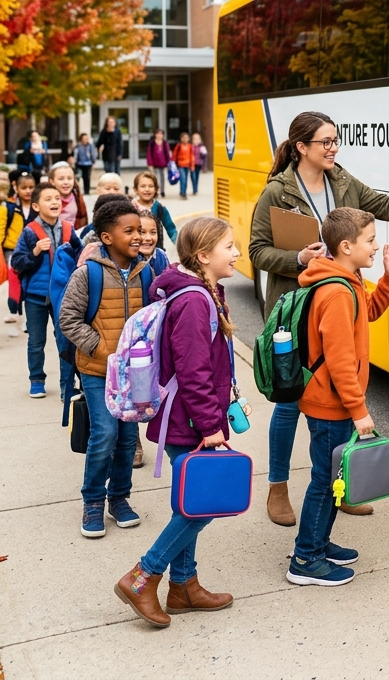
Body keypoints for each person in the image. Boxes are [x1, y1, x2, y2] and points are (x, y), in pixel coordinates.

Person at [250, 110, 389, 527]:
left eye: (335, 140)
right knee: (291, 400)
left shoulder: (342, 181)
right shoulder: (277, 192)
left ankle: (341, 486)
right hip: (294, 310)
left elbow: (387, 206)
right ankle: (277, 486)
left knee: (338, 399)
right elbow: (257, 251)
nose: (333, 148)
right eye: (325, 142)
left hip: (340, 296)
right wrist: (298, 258)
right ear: (301, 147)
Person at [115, 217, 240, 626]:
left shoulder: (204, 291)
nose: (237, 253)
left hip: (190, 417)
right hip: (188, 420)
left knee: (193, 500)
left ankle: (184, 586)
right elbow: (193, 371)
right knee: (200, 507)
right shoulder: (192, 301)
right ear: (203, 256)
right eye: (230, 247)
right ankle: (143, 576)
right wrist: (210, 425)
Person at [287, 208, 389, 586]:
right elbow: (338, 360)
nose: (375, 245)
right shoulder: (336, 291)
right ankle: (305, 559)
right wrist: (358, 409)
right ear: (346, 245)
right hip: (331, 403)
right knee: (325, 479)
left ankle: (318, 543)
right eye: (370, 240)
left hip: (331, 401)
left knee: (335, 477)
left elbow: (368, 311)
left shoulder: (347, 279)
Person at [59, 197, 150, 538]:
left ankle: (119, 498)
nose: (138, 236)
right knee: (105, 435)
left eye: (140, 230)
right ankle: (93, 501)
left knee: (128, 438)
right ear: (107, 237)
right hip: (98, 370)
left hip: (134, 375)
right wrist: (101, 348)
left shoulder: (146, 271)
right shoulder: (89, 273)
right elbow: (68, 318)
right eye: (129, 231)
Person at [11, 181, 81, 399]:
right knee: (36, 341)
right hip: (35, 296)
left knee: (65, 340)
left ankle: (66, 386)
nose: (54, 202)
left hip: (63, 296)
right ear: (35, 206)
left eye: (57, 199)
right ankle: (37, 380)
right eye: (48, 199)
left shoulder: (69, 229)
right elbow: (17, 262)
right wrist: (34, 252)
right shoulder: (30, 232)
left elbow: (81, 258)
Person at [2, 172, 36, 332]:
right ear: (16, 187)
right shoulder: (9, 207)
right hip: (12, 249)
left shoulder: (38, 207)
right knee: (15, 281)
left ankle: (28, 318)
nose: (28, 191)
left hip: (33, 250)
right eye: (24, 187)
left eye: (31, 187)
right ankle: (14, 309)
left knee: (28, 283)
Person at [133, 170, 177, 251]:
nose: (147, 189)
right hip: (135, 251)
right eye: (143, 186)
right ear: (136, 189)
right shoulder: (131, 208)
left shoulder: (160, 208)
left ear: (156, 189)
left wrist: (179, 244)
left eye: (151, 186)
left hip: (155, 250)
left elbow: (171, 228)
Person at [49, 160, 88, 229]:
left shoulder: (77, 197)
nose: (66, 182)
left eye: (69, 178)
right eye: (61, 179)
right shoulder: (47, 200)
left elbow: (83, 217)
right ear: (52, 182)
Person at [138, 208, 170, 275]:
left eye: (153, 232)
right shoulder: (127, 261)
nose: (148, 238)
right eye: (142, 232)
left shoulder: (161, 255)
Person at [146, 128, 172, 198]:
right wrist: (150, 163)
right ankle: (156, 191)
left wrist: (169, 163)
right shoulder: (152, 143)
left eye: (161, 134)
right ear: (155, 135)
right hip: (155, 164)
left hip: (163, 164)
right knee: (155, 178)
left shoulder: (165, 143)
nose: (159, 135)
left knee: (162, 178)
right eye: (158, 134)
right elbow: (149, 154)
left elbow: (167, 154)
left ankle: (162, 191)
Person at [171, 132, 195, 200]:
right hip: (180, 165)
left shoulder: (190, 146)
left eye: (186, 137)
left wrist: (192, 165)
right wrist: (172, 164)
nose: (185, 139)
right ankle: (183, 193)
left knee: (185, 180)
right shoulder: (179, 146)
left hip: (187, 165)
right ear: (181, 139)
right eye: (183, 137)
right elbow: (174, 155)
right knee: (183, 179)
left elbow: (192, 156)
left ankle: (183, 192)